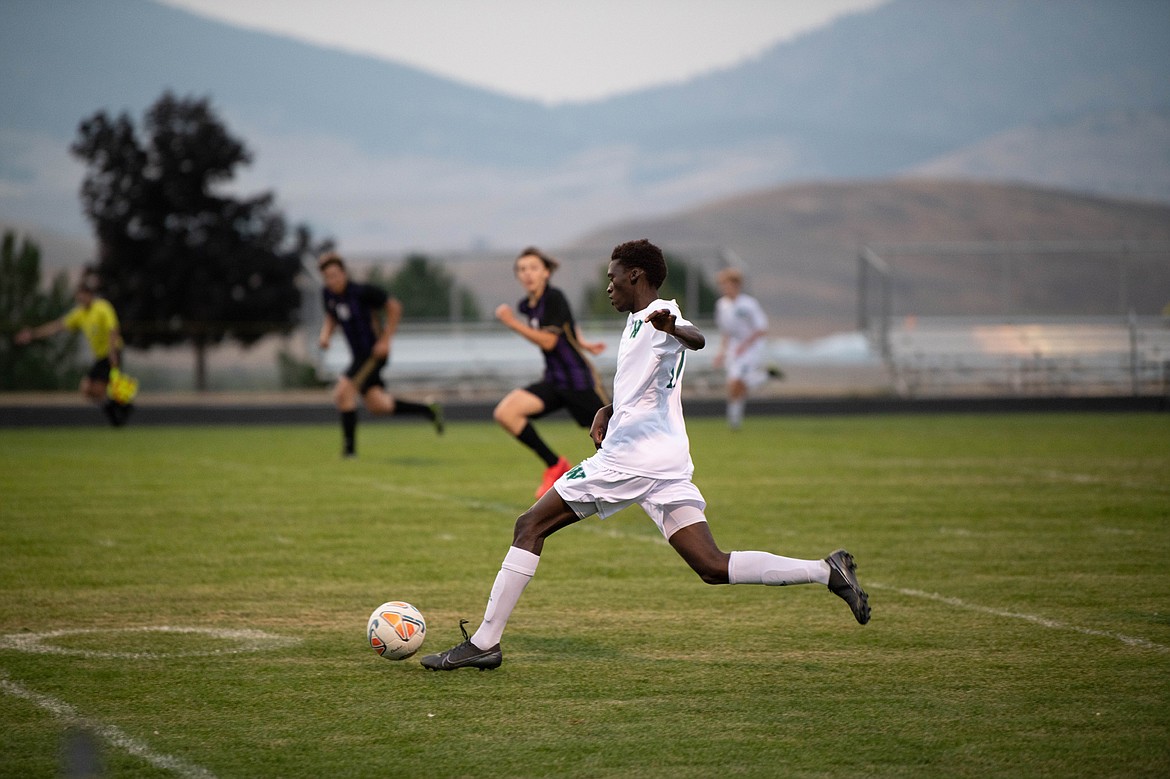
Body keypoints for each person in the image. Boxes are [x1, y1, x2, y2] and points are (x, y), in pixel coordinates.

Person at [421, 239, 869, 671]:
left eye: (614, 278)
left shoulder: (661, 313)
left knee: (529, 525)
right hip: (665, 463)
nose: (609, 286)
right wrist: (607, 409)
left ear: (636, 276)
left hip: (629, 460)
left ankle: (484, 643)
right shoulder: (636, 321)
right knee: (711, 566)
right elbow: (646, 386)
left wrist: (674, 327)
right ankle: (825, 571)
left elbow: (694, 339)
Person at [493, 246, 609, 497]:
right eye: (522, 269)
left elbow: (549, 341)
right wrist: (583, 341)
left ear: (546, 272)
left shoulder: (554, 296)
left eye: (533, 268)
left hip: (578, 379)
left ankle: (645, 478)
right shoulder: (527, 305)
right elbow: (567, 324)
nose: (527, 274)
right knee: (506, 413)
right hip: (555, 380)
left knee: (613, 436)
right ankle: (555, 465)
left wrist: (511, 322)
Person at [316, 252, 443, 457]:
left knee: (343, 392)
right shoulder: (328, 295)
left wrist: (385, 339)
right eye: (328, 277)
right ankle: (428, 410)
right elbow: (331, 317)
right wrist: (325, 335)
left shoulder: (362, 292)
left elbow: (394, 307)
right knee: (378, 405)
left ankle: (349, 451)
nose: (333, 280)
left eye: (336, 275)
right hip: (357, 356)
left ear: (344, 273)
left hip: (373, 354)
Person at [15, 279, 134, 426]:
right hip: (100, 356)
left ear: (90, 295)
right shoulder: (80, 314)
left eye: (82, 295)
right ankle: (123, 406)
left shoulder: (102, 307)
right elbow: (58, 326)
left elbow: (113, 329)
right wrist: (32, 334)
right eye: (78, 296)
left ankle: (119, 414)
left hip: (112, 351)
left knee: (102, 387)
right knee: (88, 389)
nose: (80, 299)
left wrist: (112, 352)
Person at [713, 267, 772, 430]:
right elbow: (725, 332)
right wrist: (721, 352)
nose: (725, 288)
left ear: (737, 285)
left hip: (751, 348)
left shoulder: (749, 304)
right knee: (735, 387)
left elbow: (761, 328)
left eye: (728, 285)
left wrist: (744, 345)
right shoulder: (722, 305)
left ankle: (734, 421)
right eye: (723, 285)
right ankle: (765, 376)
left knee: (737, 382)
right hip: (733, 349)